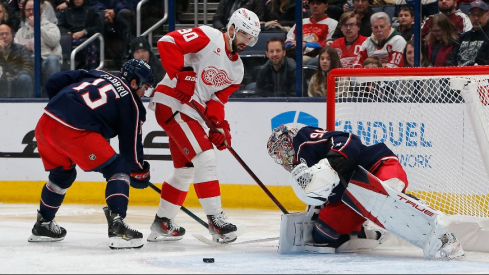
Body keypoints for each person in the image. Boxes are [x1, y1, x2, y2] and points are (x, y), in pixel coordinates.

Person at [266, 124, 465, 259]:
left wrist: (335, 160)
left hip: (373, 166)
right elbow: (321, 191)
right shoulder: (300, 171)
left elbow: (347, 139)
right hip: (351, 198)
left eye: (280, 150)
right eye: (277, 156)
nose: (281, 158)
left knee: (389, 192)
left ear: (287, 141)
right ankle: (366, 234)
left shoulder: (303, 140)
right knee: (322, 234)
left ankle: (441, 230)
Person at [147, 8, 261, 244]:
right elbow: (167, 42)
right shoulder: (209, 36)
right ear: (231, 28)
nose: (246, 42)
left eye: (251, 38)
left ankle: (162, 223)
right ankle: (216, 220)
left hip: (191, 112)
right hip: (173, 103)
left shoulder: (237, 70)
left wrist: (219, 127)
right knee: (205, 158)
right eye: (244, 36)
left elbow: (217, 101)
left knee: (185, 170)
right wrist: (182, 74)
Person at [28, 59, 155, 249]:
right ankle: (117, 226)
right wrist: (140, 173)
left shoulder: (97, 72)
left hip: (46, 122)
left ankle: (43, 225)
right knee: (118, 168)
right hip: (73, 130)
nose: (144, 93)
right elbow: (130, 151)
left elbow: (54, 81)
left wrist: (66, 109)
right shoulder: (133, 103)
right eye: (144, 87)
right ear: (134, 82)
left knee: (62, 174)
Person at [15, 0, 61, 95]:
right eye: (28, 10)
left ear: (40, 11)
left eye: (34, 9)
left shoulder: (51, 26)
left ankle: (53, 97)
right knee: (23, 77)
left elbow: (53, 42)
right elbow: (16, 50)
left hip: (46, 61)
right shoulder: (21, 32)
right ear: (24, 12)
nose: (31, 12)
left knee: (53, 60)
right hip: (29, 63)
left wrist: (38, 27)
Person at [56, 0, 102, 70]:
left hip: (88, 38)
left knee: (90, 44)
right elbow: (59, 26)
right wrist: (67, 32)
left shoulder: (91, 11)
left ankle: (91, 72)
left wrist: (84, 32)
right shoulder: (65, 12)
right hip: (70, 39)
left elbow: (98, 27)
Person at [447, 0, 489, 66]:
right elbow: (451, 60)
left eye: (480, 14)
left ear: (487, 15)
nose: (476, 18)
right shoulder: (463, 37)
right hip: (458, 74)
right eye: (473, 14)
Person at [0, 23, 34, 98]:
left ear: (12, 36)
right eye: (1, 34)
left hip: (18, 79)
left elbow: (28, 67)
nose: (4, 36)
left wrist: (15, 78)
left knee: (25, 78)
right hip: (2, 81)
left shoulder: (21, 49)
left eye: (7, 34)